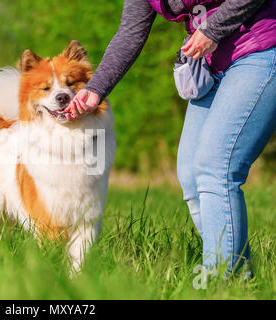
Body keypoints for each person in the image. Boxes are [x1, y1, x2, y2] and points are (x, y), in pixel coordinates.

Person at [66, 0, 276, 276]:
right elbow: (130, 33)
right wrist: (95, 90)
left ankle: (223, 279)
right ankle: (239, 276)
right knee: (191, 174)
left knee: (216, 167)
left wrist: (212, 30)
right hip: (211, 67)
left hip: (259, 49)